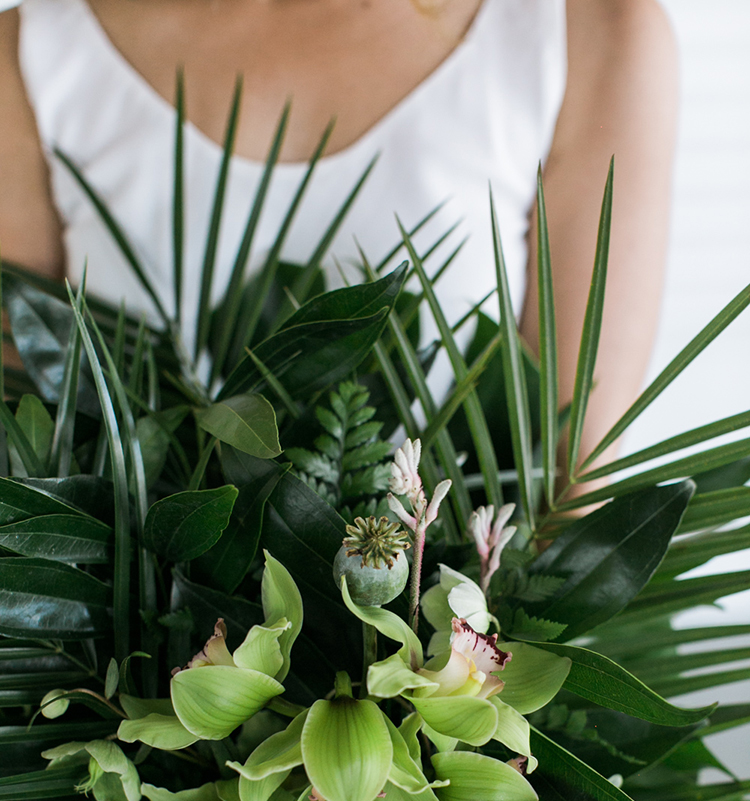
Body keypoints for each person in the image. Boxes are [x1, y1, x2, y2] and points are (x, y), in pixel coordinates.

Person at [0, 0, 677, 472]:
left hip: (461, 660)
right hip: (118, 670)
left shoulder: (586, 32)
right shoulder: (33, 55)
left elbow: (568, 484)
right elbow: (28, 466)